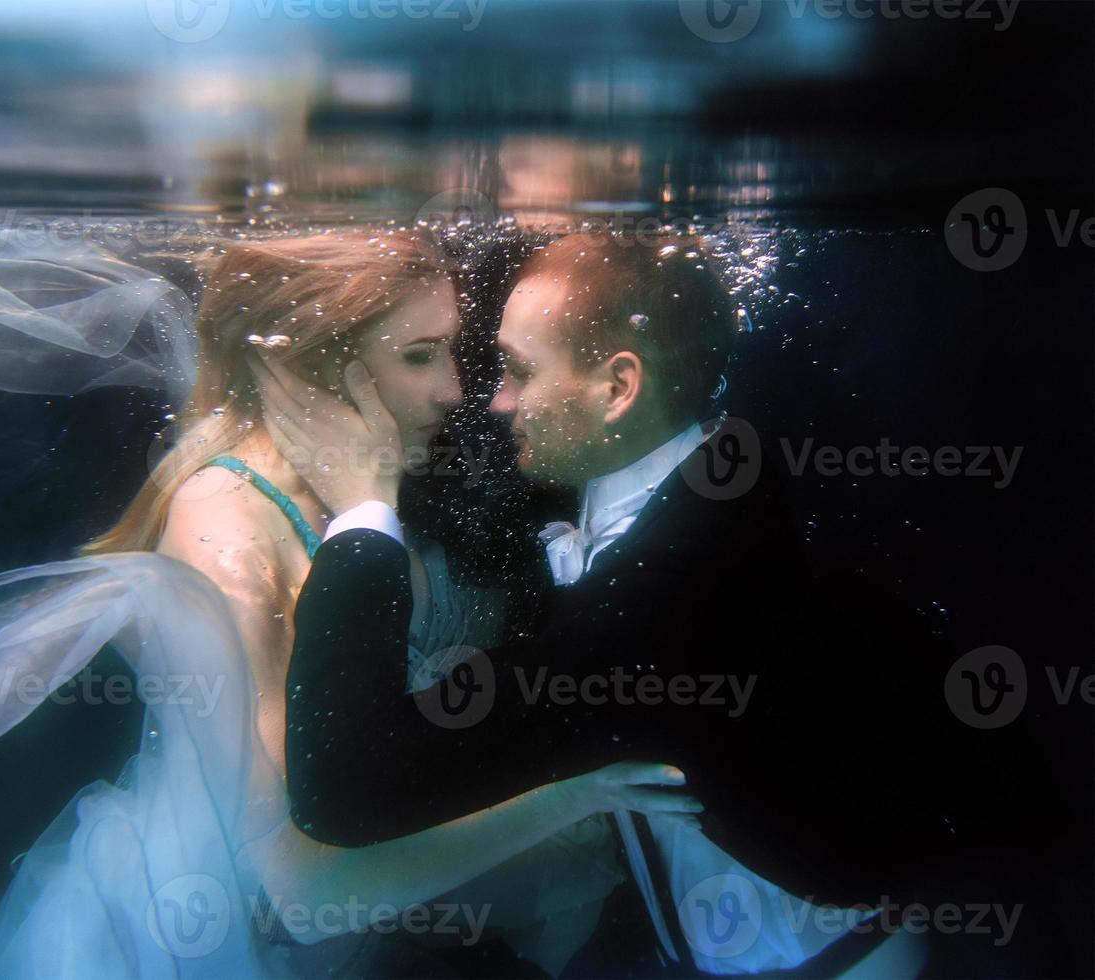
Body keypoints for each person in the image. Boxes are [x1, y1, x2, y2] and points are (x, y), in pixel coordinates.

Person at [0, 228, 695, 979]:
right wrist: (572, 796)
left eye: (451, 352)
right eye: (420, 357)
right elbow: (306, 898)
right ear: (314, 361)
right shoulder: (227, 529)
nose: (456, 393)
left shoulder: (332, 492)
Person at [280, 232, 942, 976]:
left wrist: (365, 510)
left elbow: (342, 789)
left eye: (518, 371)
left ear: (617, 389)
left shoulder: (660, 605)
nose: (493, 401)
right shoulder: (716, 460)